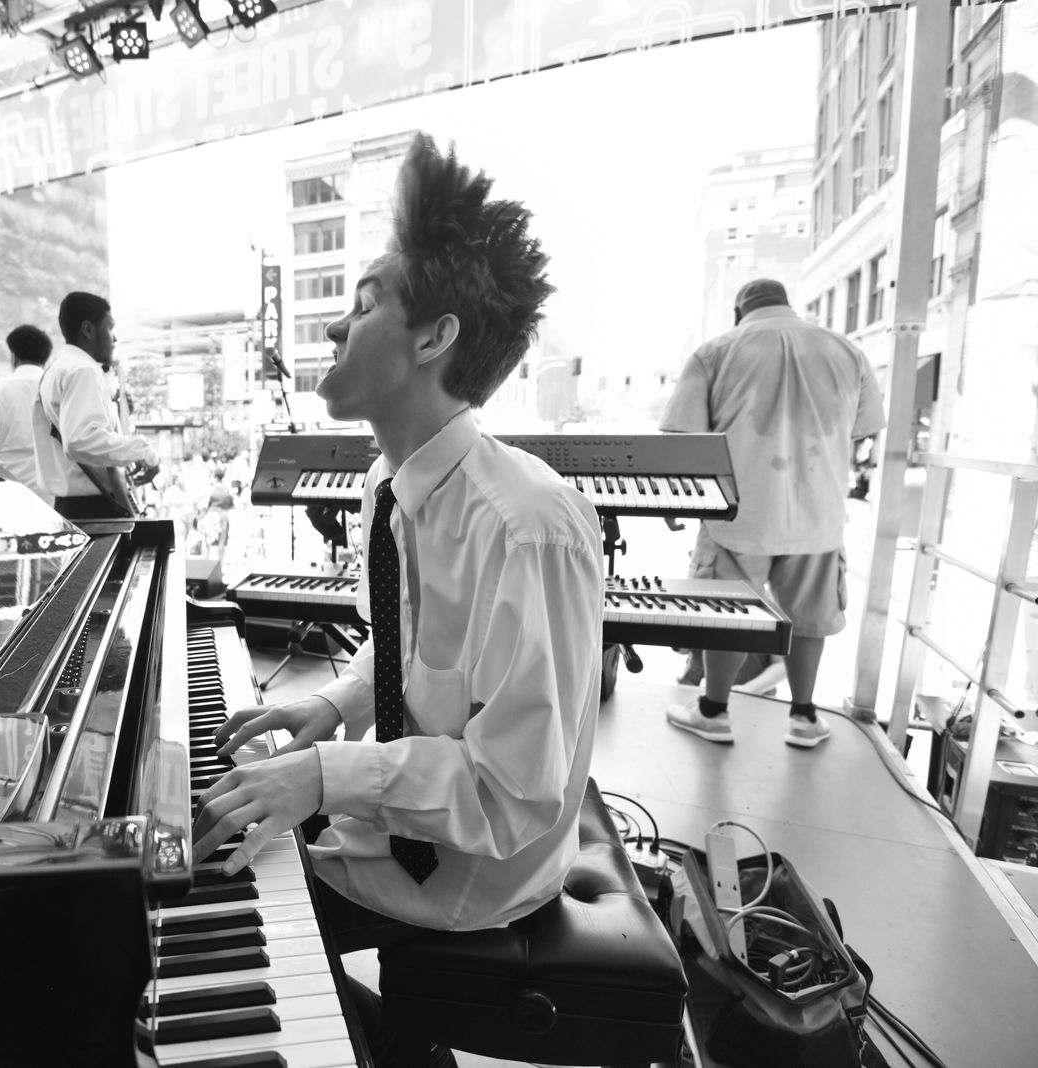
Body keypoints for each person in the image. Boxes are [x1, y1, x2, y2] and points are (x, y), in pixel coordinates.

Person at [192, 134, 603, 1067]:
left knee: (198, 906)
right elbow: (415, 644)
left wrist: (325, 778)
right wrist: (335, 705)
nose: (335, 330)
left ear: (433, 338)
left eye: (365, 303)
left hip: (468, 874)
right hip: (401, 824)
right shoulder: (388, 485)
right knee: (206, 857)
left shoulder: (528, 526)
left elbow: (512, 794)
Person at [659, 278, 885, 748]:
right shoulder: (847, 352)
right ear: (788, 305)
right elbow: (862, 430)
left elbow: (684, 439)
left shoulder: (715, 352)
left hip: (738, 514)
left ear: (739, 312)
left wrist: (675, 500)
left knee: (728, 613)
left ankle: (713, 712)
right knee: (809, 618)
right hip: (818, 515)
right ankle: (803, 717)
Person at [32, 291, 160, 520]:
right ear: (88, 330)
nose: (114, 338)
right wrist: (142, 450)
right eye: (110, 328)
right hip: (94, 511)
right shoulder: (83, 370)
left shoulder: (54, 371)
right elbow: (80, 440)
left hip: (70, 508)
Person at [0, 324, 53, 502]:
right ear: (45, 359)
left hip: (7, 488)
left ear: (14, 356)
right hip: (51, 491)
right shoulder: (57, 389)